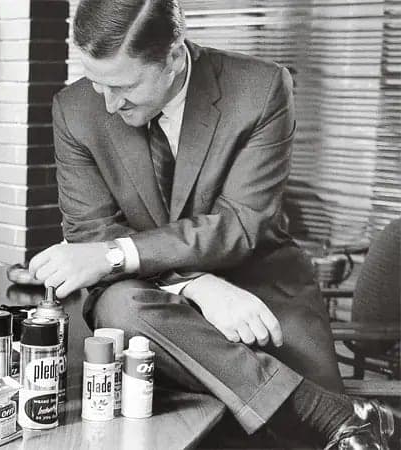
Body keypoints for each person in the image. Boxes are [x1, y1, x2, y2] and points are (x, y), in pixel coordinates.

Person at [28, 0, 398, 448]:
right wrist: (198, 286)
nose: (108, 104)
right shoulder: (74, 110)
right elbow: (92, 233)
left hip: (260, 292)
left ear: (173, 55)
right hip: (148, 301)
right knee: (118, 305)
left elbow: (241, 224)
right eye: (95, 82)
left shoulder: (260, 89)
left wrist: (114, 255)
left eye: (123, 85)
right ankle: (324, 414)